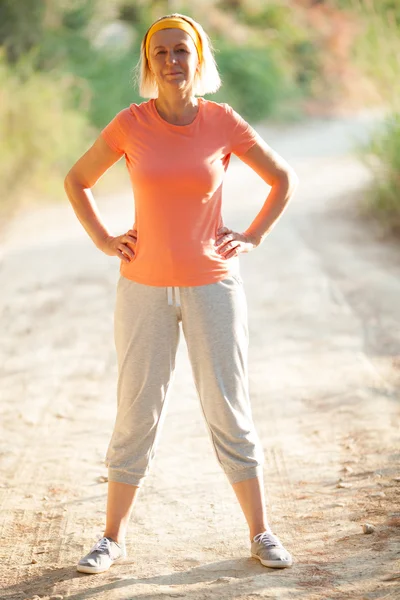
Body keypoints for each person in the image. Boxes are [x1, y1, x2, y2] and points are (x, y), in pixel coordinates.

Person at [64, 12, 298, 575]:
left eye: (181, 51)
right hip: (142, 288)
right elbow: (78, 180)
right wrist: (102, 237)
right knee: (136, 413)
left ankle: (261, 534)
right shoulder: (130, 123)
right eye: (161, 52)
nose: (172, 61)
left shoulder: (222, 122)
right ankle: (110, 539)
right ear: (149, 62)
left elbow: (281, 177)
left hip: (213, 286)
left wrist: (253, 233)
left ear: (198, 59)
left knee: (228, 408)